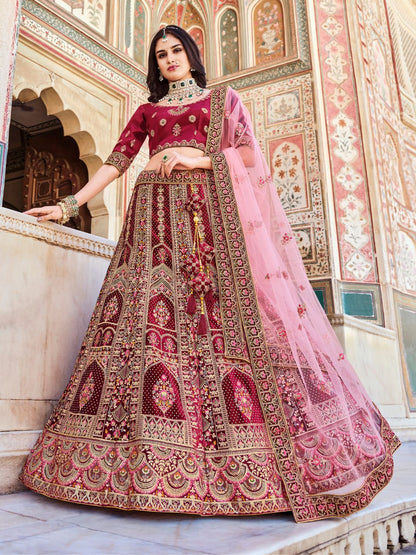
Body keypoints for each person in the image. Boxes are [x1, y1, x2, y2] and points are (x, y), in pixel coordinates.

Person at [21, 25, 399, 522]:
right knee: (148, 325)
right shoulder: (148, 111)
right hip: (152, 223)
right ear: (155, 65)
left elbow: (247, 153)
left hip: (206, 223)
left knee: (214, 323)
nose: (170, 59)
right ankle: (145, 451)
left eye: (177, 51)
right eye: (161, 55)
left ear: (192, 56)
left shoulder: (223, 100)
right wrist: (69, 204)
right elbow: (116, 162)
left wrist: (197, 157)